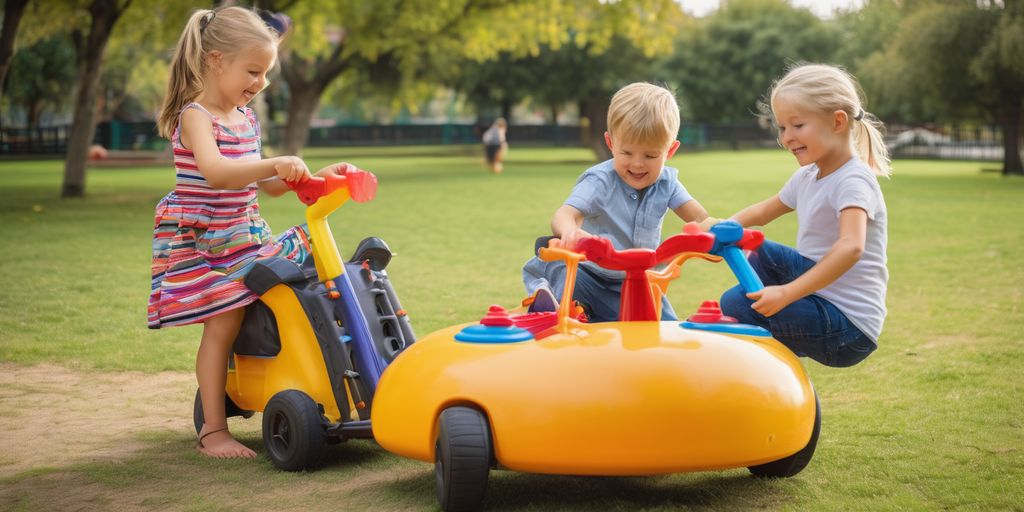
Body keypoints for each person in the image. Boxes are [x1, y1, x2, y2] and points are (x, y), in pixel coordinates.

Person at [148, 7, 355, 459]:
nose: (259, 82)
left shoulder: (246, 118)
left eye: (266, 73)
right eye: (253, 70)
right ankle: (213, 433)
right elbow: (219, 173)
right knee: (222, 325)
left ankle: (316, 376)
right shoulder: (196, 117)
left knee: (308, 285)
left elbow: (271, 187)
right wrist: (274, 161)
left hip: (246, 235)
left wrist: (315, 175)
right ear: (217, 60)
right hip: (208, 244)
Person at [713, 63, 890, 368]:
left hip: (847, 326)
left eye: (797, 126)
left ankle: (758, 375)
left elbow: (852, 247)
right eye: (782, 128)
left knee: (737, 305)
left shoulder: (853, 180)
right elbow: (763, 211)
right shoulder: (808, 176)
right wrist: (719, 229)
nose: (787, 137)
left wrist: (786, 293)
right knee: (749, 269)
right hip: (820, 297)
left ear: (837, 122)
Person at [521, 82, 709, 322]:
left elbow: (700, 218)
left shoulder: (668, 183)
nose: (638, 164)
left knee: (665, 329)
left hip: (639, 282)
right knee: (564, 267)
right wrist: (571, 232)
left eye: (651, 155)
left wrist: (716, 230)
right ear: (611, 144)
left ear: (670, 151)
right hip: (590, 275)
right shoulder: (600, 181)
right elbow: (564, 215)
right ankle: (555, 305)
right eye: (627, 153)